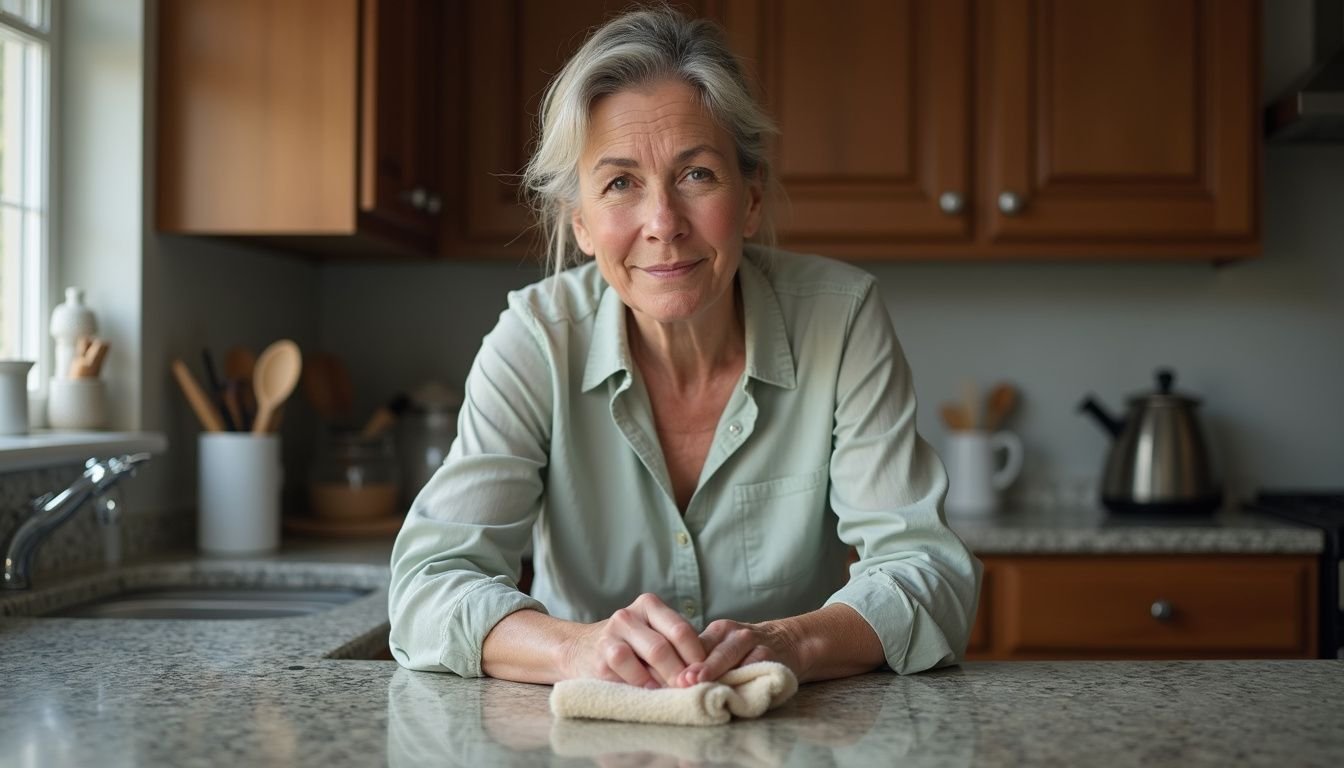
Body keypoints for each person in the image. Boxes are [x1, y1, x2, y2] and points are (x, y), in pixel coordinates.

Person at [388, 7, 981, 689]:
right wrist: (574, 650)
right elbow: (428, 586)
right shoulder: (535, 340)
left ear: (751, 200)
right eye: (619, 184)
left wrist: (793, 642)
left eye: (696, 174)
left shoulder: (841, 319)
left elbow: (929, 573)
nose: (663, 223)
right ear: (580, 223)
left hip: (792, 728)